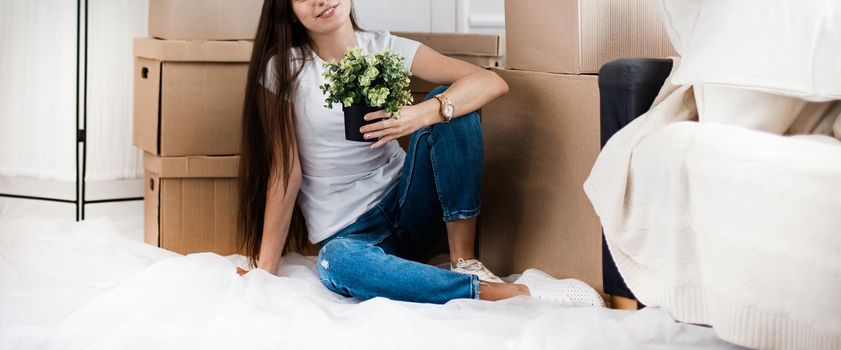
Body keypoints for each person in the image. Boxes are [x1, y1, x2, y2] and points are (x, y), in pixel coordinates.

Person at [234, 0, 604, 307]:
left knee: (450, 102)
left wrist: (420, 114)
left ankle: (465, 263)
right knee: (335, 263)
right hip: (354, 233)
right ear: (287, 9)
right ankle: (502, 293)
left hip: (412, 203)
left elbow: (489, 81)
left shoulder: (385, 48)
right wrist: (265, 272)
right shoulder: (284, 71)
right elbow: (285, 172)